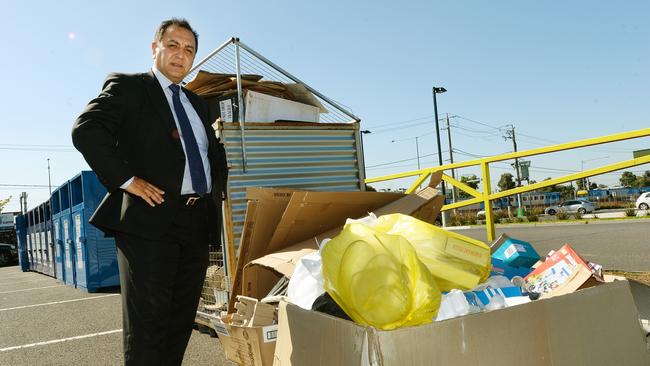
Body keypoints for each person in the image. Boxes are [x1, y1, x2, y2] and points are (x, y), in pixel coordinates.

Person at [72, 18, 228, 365]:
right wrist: (127, 180)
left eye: (189, 49)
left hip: (196, 223)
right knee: (148, 327)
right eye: (173, 45)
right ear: (154, 48)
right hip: (149, 220)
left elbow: (210, 154)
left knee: (179, 322)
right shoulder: (129, 88)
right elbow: (86, 130)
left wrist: (217, 189)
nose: (181, 54)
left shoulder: (196, 102)